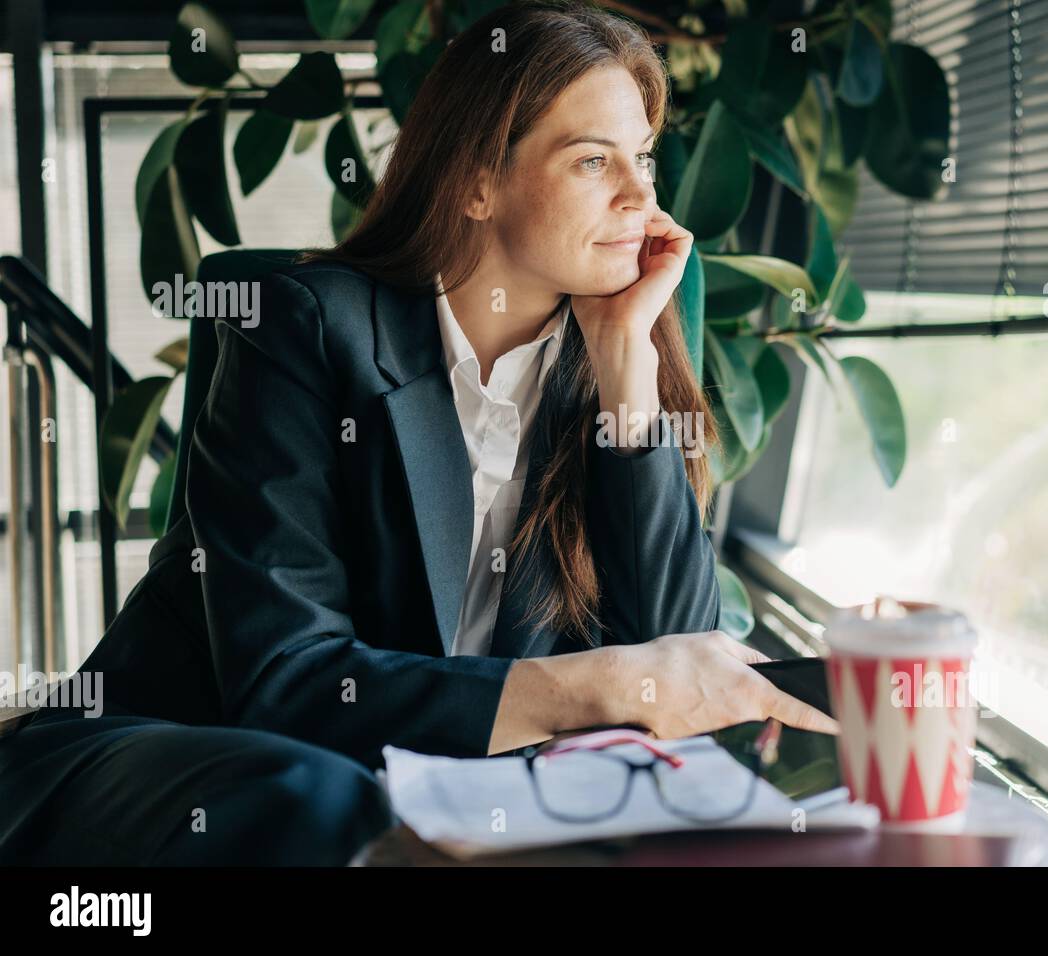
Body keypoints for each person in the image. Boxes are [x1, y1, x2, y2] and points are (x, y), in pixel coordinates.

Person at [0, 0, 837, 866]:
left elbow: (674, 660)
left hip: (435, 800)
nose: (640, 196)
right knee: (332, 802)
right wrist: (595, 688)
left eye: (645, 159)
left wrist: (626, 361)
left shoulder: (609, 365)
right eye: (593, 160)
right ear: (476, 181)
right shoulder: (300, 329)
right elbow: (284, 686)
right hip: (178, 760)